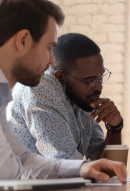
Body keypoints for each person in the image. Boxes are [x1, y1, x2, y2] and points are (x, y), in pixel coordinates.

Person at [0, 0, 126, 182]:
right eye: (49, 48)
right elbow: (7, 172)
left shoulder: (3, 98)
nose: (52, 60)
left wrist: (83, 167)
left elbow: (23, 159)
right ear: (23, 41)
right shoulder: (41, 86)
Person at [7, 32, 123, 160]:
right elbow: (67, 166)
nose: (99, 87)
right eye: (89, 80)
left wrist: (115, 126)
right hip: (18, 178)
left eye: (100, 77)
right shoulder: (40, 88)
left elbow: (108, 166)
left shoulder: (82, 98)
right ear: (61, 77)